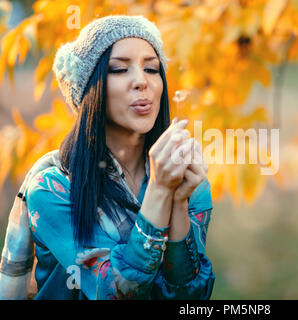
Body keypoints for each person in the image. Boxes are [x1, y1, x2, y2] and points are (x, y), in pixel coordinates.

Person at [0, 15, 214, 300]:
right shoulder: (51, 187)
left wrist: (177, 201)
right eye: (119, 69)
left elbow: (189, 297)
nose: (142, 81)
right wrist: (160, 191)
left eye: (151, 68)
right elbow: (114, 292)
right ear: (91, 89)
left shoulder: (185, 176)